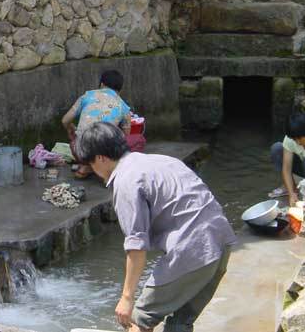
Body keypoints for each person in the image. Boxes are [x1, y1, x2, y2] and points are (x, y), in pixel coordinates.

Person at [74, 122, 237, 332]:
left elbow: (136, 247)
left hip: (193, 250)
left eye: (90, 164)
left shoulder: (126, 181)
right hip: (221, 242)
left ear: (100, 158)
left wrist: (126, 298)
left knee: (136, 320)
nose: (92, 171)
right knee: (180, 323)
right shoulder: (162, 161)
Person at [61, 70, 135, 177]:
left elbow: (65, 120)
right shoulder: (123, 107)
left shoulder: (87, 96)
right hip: (104, 158)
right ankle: (106, 170)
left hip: (80, 152)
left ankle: (87, 166)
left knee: (76, 140)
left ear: (101, 84)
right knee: (137, 140)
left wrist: (70, 129)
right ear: (120, 90)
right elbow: (125, 137)